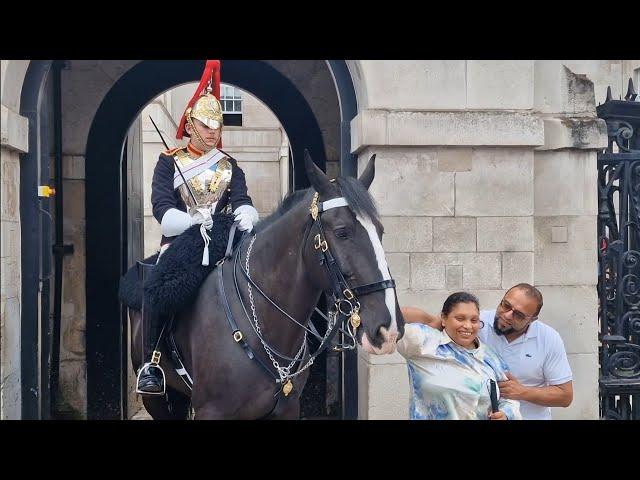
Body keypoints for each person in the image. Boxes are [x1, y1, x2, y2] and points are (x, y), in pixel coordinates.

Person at [136, 60, 259, 395]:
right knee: (157, 285)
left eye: (217, 126)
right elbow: (162, 208)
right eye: (206, 125)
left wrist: (248, 213)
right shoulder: (169, 161)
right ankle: (151, 361)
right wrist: (191, 220)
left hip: (222, 238)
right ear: (190, 124)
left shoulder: (229, 165)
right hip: (180, 240)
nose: (212, 132)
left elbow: (242, 198)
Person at [401, 283, 573, 419]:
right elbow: (431, 323)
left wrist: (521, 392)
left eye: (518, 315)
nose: (507, 315)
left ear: (532, 319)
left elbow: (565, 396)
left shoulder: (549, 339)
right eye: (505, 305)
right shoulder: (477, 321)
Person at [397, 292, 522, 420]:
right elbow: (393, 316)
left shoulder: (490, 357)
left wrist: (505, 414)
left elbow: (509, 398)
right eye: (460, 318)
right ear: (444, 318)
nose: (468, 326)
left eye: (474, 320)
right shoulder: (424, 342)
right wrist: (432, 320)